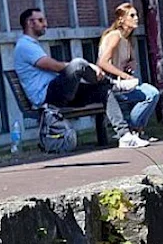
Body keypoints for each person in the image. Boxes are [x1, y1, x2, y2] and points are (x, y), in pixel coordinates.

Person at [13, 8, 144, 149]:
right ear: (30, 23)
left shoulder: (32, 44)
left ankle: (125, 136)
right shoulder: (24, 45)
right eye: (40, 20)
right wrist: (89, 68)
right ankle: (113, 83)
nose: (45, 24)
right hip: (46, 97)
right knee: (78, 64)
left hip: (57, 93)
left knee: (103, 90)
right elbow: (53, 66)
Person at [96, 4, 160, 144]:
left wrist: (132, 64)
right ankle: (132, 130)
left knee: (152, 93)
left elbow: (131, 60)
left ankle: (136, 130)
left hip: (123, 84)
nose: (136, 18)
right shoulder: (115, 36)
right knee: (151, 94)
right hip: (110, 84)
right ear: (121, 19)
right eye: (132, 15)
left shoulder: (128, 39)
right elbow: (103, 62)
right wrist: (124, 75)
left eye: (136, 15)